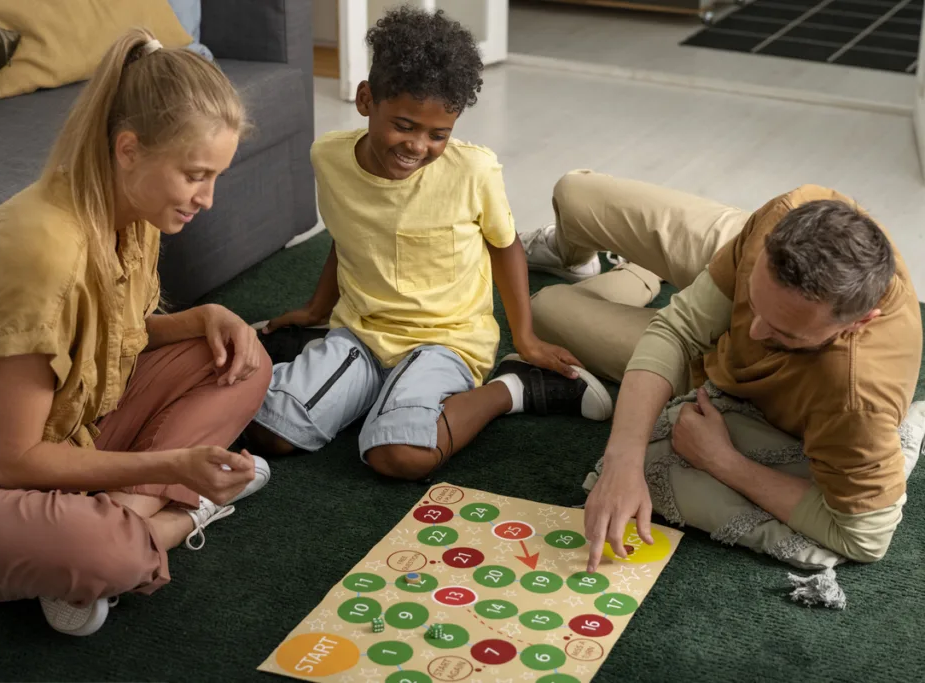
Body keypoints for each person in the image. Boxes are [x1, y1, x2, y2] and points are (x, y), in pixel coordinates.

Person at [0, 29, 273, 636]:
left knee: (243, 359)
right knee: (110, 554)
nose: (206, 198)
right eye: (195, 175)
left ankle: (122, 516)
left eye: (216, 177)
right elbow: (13, 462)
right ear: (128, 149)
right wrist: (176, 466)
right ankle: (174, 521)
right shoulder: (41, 254)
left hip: (72, 429)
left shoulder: (135, 208)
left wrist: (198, 320)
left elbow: (98, 340)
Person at [246, 7, 613, 481]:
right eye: (404, 125)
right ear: (365, 100)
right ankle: (335, 360)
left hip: (447, 338)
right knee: (269, 432)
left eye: (438, 134)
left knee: (399, 456)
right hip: (361, 329)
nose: (418, 146)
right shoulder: (328, 157)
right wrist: (317, 307)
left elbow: (505, 247)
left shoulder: (473, 171)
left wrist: (526, 339)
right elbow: (349, 234)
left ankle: (513, 388)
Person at [522, 170, 922, 570]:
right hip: (738, 253)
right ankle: (616, 269)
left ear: (858, 323)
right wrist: (622, 461)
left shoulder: (855, 400)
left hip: (713, 367)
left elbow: (866, 536)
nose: (752, 330)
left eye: (783, 333)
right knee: (575, 194)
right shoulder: (788, 214)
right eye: (754, 301)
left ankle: (635, 273)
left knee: (543, 309)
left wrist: (724, 461)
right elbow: (679, 327)